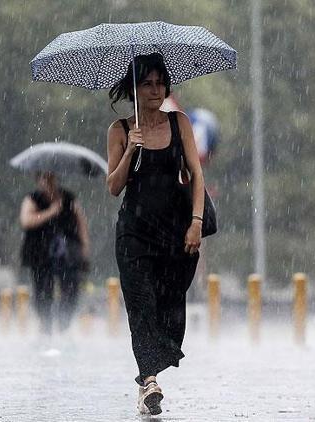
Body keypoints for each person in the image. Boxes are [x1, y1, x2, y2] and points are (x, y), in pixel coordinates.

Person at [106, 53, 204, 416]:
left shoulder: (179, 123)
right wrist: (131, 148)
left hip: (174, 233)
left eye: (160, 83)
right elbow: (113, 186)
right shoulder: (119, 130)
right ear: (134, 88)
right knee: (141, 306)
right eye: (147, 83)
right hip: (133, 235)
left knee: (169, 307)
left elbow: (196, 173)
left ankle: (150, 368)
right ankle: (149, 382)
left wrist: (195, 221)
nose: (155, 89)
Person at [19, 171, 91, 336]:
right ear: (39, 181)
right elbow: (26, 220)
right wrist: (50, 212)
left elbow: (82, 224)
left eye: (51, 178)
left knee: (71, 289)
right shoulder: (32, 199)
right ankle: (46, 327)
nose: (48, 182)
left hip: (68, 253)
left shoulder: (68, 198)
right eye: (44, 178)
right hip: (40, 254)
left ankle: (64, 325)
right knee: (43, 291)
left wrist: (85, 250)